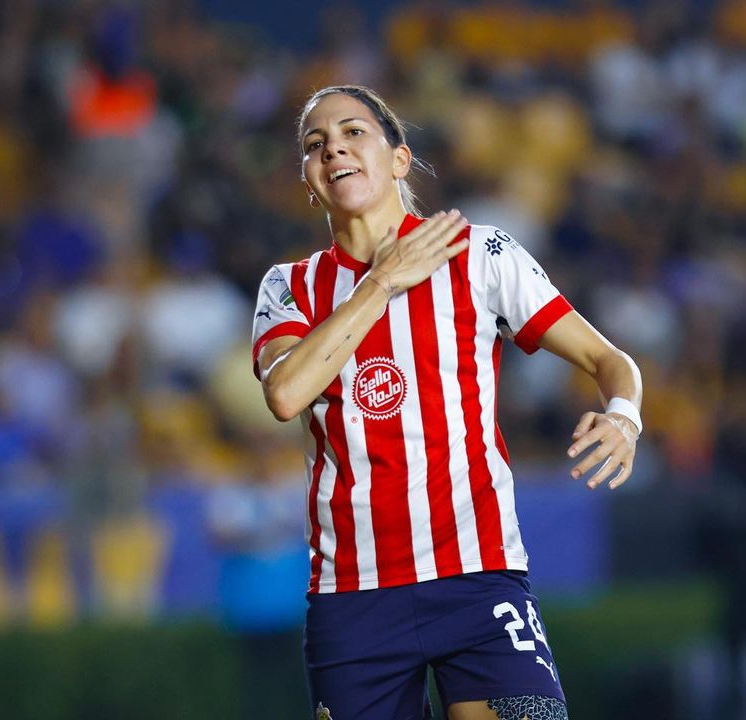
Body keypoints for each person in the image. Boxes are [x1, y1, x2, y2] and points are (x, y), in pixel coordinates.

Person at [251, 85, 643, 720]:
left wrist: (624, 415)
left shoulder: (481, 254)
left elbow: (609, 361)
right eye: (314, 145)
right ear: (307, 180)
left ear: (400, 159)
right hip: (354, 595)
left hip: (478, 575)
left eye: (354, 133)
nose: (334, 149)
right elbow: (287, 392)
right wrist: (382, 280)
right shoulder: (288, 286)